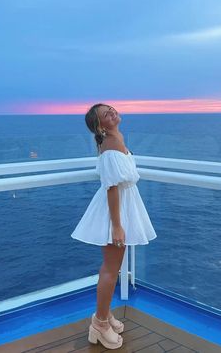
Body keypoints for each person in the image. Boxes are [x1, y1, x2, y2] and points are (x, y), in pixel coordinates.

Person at [71, 103, 157, 349]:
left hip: (124, 205)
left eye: (110, 108)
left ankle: (104, 314)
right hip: (116, 210)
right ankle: (99, 324)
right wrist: (117, 226)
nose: (111, 112)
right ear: (100, 126)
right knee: (111, 269)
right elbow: (111, 187)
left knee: (112, 267)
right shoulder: (109, 146)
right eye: (105, 114)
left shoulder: (115, 137)